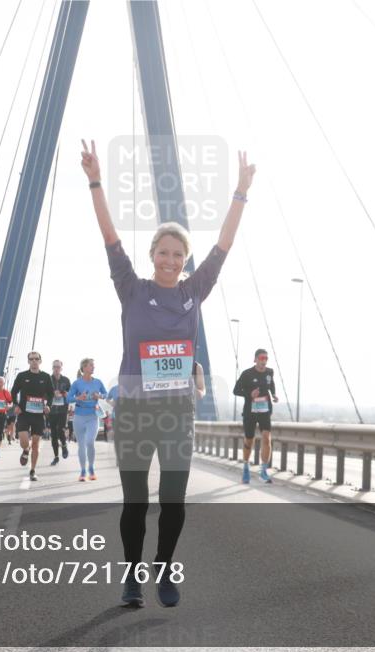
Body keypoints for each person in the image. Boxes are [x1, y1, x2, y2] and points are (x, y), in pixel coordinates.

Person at [81, 138, 254, 608]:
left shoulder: (194, 292)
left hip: (177, 415)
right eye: (164, 253)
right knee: (135, 503)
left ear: (185, 261)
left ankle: (163, 568)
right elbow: (109, 235)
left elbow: (223, 244)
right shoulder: (131, 289)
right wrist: (96, 180)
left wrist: (240, 191)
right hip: (136, 414)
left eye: (179, 255)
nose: (171, 261)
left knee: (173, 501)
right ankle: (132, 575)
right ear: (152, 254)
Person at [232, 349, 279, 484]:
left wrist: (274, 394)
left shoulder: (270, 372)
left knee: (266, 438)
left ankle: (263, 470)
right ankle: (246, 466)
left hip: (264, 411)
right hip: (250, 412)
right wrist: (249, 394)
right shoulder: (247, 374)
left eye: (266, 358)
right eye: (261, 358)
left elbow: (271, 385)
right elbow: (236, 390)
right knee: (249, 440)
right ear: (255, 359)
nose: (264, 361)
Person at [9, 351, 54, 482]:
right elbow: (13, 392)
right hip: (24, 413)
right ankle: (25, 450)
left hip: (38, 415)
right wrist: (16, 405)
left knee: (35, 443)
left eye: (36, 359)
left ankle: (33, 470)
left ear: (40, 361)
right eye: (31, 359)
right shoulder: (22, 376)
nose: (34, 361)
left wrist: (48, 405)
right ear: (28, 361)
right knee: (24, 441)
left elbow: (50, 394)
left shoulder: (45, 377)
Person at [66, 358, 107, 482]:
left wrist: (99, 396)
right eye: (91, 365)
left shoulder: (98, 382)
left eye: (93, 365)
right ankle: (83, 470)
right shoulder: (77, 383)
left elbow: (106, 394)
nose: (93, 367)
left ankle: (91, 468)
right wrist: (79, 397)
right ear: (84, 368)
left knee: (90, 442)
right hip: (79, 417)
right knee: (81, 445)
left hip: (92, 416)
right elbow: (68, 399)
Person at [48, 359, 71, 465]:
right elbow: (44, 392)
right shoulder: (48, 379)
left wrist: (64, 394)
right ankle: (56, 457)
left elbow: (71, 393)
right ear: (52, 368)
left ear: (61, 368)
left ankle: (64, 445)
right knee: (53, 433)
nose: (56, 369)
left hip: (62, 409)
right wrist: (52, 394)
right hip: (51, 410)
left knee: (60, 429)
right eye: (54, 367)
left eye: (58, 367)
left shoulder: (66, 380)